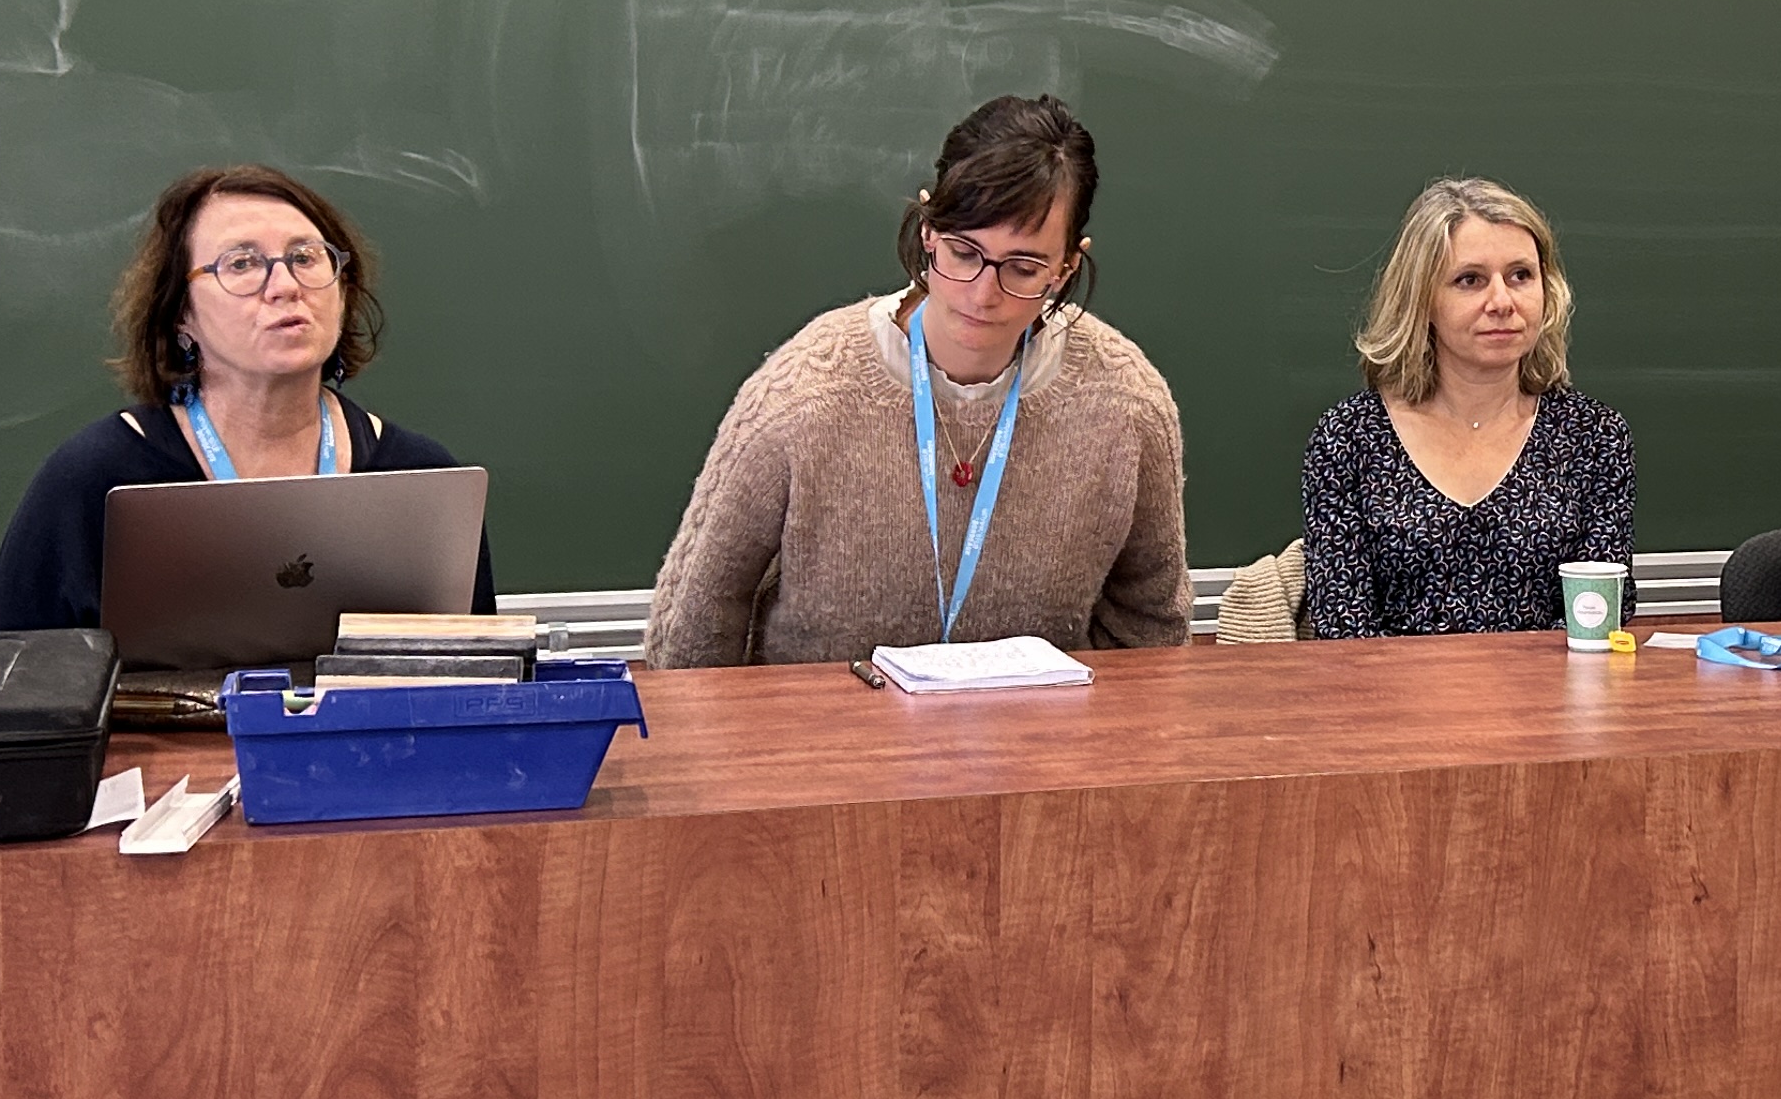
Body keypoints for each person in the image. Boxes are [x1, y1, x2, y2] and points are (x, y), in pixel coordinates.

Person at [645, 93, 1189, 668]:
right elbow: (693, 624)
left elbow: (1152, 627)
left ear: (1066, 267)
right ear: (929, 231)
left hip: (1039, 724)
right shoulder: (804, 394)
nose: (983, 294)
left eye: (1023, 268)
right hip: (822, 722)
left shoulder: (1127, 404)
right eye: (963, 252)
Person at [0, 164, 496, 630]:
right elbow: (15, 683)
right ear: (180, 314)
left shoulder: (420, 476)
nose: (285, 286)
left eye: (305, 257)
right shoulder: (95, 479)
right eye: (243, 264)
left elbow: (482, 680)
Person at [1301, 177, 1633, 638]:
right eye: (1469, 280)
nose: (1502, 302)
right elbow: (1343, 625)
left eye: (1520, 276)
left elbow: (1597, 610)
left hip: (1548, 684)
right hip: (1386, 684)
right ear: (1421, 298)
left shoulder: (1594, 435)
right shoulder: (1348, 438)